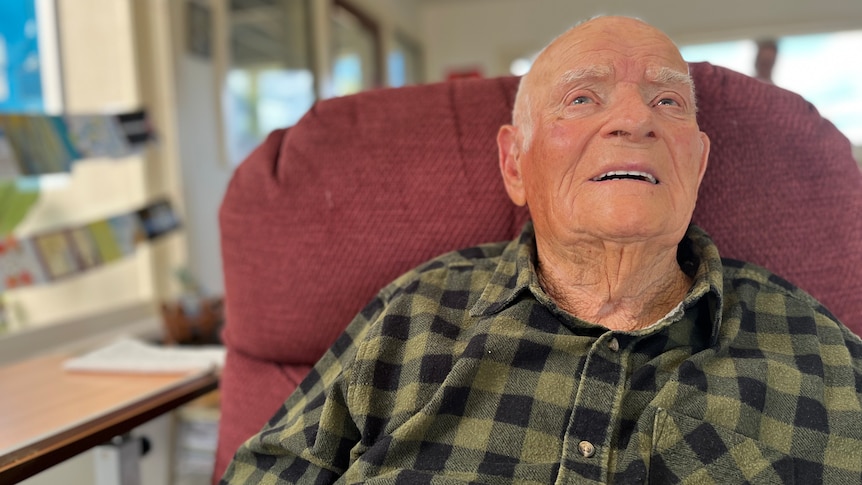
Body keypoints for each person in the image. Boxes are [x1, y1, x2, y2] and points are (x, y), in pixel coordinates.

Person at [221, 16, 862, 484]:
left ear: (697, 165)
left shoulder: (820, 349)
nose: (635, 120)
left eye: (667, 100)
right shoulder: (416, 312)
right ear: (514, 164)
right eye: (583, 98)